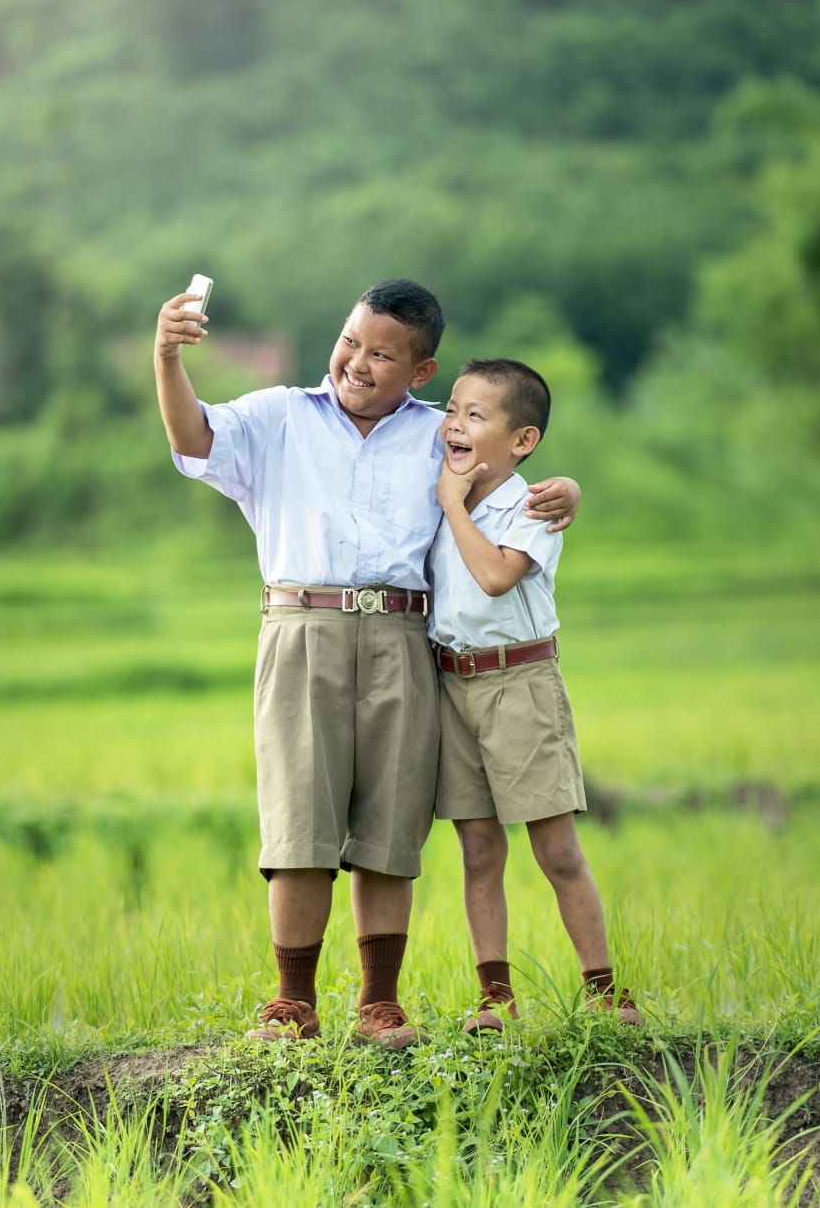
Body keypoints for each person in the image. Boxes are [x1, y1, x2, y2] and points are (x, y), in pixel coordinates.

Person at [153, 280, 581, 1048]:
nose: (358, 361)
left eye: (383, 354)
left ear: (421, 372)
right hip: (301, 627)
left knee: (391, 820)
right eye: (352, 341)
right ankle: (292, 1000)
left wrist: (568, 489)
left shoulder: (438, 436)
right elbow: (192, 439)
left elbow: (507, 481)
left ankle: (379, 1004)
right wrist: (167, 357)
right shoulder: (279, 415)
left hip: (403, 637)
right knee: (299, 818)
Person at [428, 357, 644, 1031]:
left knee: (555, 847)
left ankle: (604, 990)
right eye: (452, 409)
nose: (456, 424)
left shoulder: (531, 505)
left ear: (523, 440)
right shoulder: (439, 485)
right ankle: (496, 998)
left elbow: (495, 576)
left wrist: (452, 506)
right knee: (479, 849)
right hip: (450, 685)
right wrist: (447, 498)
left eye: (476, 414)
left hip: (519, 683)